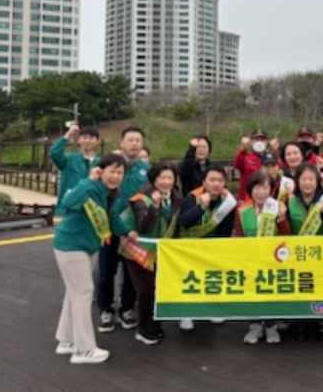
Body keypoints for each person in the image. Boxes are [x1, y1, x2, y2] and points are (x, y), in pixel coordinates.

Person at [52, 154, 138, 364]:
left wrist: (127, 231)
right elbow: (68, 202)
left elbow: (111, 217)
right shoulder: (90, 187)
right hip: (72, 245)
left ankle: (66, 340)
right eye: (112, 171)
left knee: (74, 293)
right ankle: (84, 350)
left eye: (120, 172)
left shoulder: (111, 194)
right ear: (101, 171)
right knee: (83, 293)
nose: (115, 176)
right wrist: (89, 180)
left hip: (89, 246)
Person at [121, 162, 183, 345]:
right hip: (137, 250)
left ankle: (154, 327)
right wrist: (155, 207)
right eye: (162, 178)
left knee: (157, 288)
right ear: (154, 180)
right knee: (146, 289)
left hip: (159, 251)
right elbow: (144, 227)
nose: (166, 182)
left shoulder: (176, 197)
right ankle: (144, 329)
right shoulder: (141, 199)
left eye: (170, 178)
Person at [96, 127, 150, 334]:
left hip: (133, 231)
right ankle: (106, 309)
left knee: (130, 273)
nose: (134, 144)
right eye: (130, 140)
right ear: (121, 143)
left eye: (138, 140)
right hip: (109, 229)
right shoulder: (110, 167)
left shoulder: (146, 170)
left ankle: (127, 308)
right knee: (106, 272)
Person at [177, 163, 237, 331]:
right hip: (189, 246)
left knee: (210, 278)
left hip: (212, 246)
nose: (216, 184)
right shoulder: (192, 197)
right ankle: (186, 313)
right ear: (204, 182)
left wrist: (215, 251)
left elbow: (225, 231)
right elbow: (185, 222)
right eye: (212, 180)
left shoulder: (228, 202)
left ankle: (210, 309)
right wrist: (201, 207)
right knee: (190, 280)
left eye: (220, 180)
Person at [234, 171, 291, 344]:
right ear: (250, 190)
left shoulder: (278, 207)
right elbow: (239, 236)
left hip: (273, 260)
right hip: (250, 260)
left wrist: (282, 219)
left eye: (265, 188)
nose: (261, 192)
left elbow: (287, 235)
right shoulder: (242, 211)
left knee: (270, 292)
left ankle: (271, 326)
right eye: (257, 188)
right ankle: (255, 326)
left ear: (271, 189)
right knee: (252, 293)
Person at [287, 163, 323, 341]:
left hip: (320, 253)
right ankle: (300, 323)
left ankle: (321, 323)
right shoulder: (290, 200)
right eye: (304, 179)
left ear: (317, 181)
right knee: (301, 288)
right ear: (298, 181)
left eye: (311, 179)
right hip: (298, 254)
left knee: (320, 288)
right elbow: (285, 227)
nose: (307, 183)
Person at [49, 124, 100, 215]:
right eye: (84, 137)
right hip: (67, 210)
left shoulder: (100, 164)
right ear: (79, 140)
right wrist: (68, 134)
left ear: (97, 142)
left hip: (91, 213)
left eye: (91, 138)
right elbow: (54, 153)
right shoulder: (69, 159)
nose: (87, 141)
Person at [233, 129, 269, 200]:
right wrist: (242, 148)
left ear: (266, 142)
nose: (259, 142)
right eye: (256, 140)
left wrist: (275, 151)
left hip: (265, 197)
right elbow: (236, 164)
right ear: (251, 142)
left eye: (262, 140)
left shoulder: (270, 159)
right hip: (246, 199)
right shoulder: (245, 157)